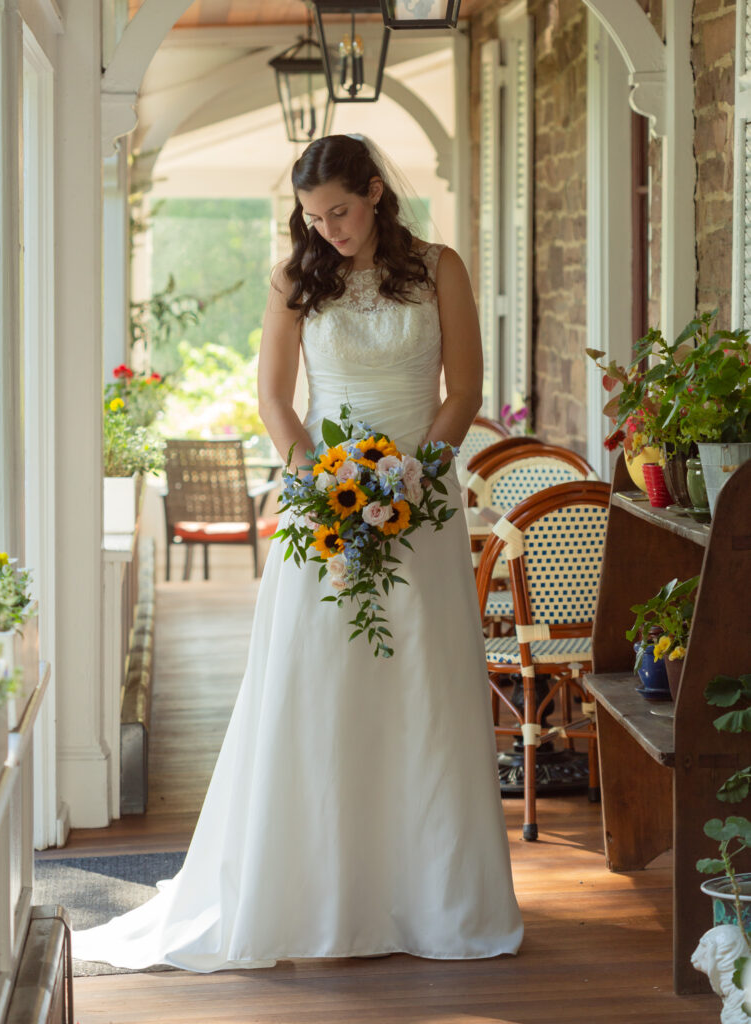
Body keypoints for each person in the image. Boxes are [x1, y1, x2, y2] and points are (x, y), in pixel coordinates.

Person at [72, 134, 523, 973]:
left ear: (377, 194)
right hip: (322, 506)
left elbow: (462, 387)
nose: (329, 230)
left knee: (420, 683)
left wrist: (414, 477)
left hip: (419, 502)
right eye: (314, 217)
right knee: (316, 685)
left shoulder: (438, 268)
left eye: (341, 212)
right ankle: (314, 895)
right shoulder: (296, 278)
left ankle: (432, 896)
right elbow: (274, 399)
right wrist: (318, 481)